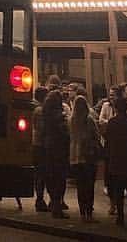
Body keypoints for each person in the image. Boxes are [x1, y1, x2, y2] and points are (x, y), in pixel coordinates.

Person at [103, 95, 127, 226]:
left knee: (118, 189)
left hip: (116, 159)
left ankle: (120, 217)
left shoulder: (112, 122)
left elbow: (108, 139)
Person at [69, 93, 101, 221]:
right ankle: (89, 211)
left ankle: (82, 212)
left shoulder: (71, 120)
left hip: (75, 156)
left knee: (80, 186)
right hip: (88, 156)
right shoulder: (89, 120)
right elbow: (96, 136)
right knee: (89, 185)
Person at [42, 86, 71, 218]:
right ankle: (57, 206)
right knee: (59, 177)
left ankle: (53, 202)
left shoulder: (45, 114)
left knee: (50, 176)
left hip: (48, 148)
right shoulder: (60, 118)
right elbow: (65, 133)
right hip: (59, 149)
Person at [32, 85, 49, 212]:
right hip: (40, 144)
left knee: (39, 172)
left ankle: (40, 198)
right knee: (41, 173)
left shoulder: (33, 107)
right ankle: (40, 199)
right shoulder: (40, 110)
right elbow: (42, 128)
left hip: (35, 143)